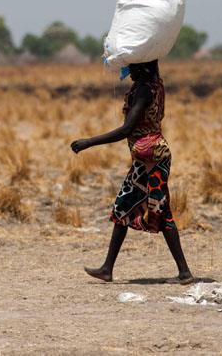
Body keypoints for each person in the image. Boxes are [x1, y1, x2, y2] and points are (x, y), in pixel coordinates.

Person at [71, 60, 201, 284]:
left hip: (154, 159)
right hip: (146, 159)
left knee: (161, 211)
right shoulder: (155, 84)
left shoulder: (143, 90)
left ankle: (184, 272)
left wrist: (88, 142)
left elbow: (127, 129)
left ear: (142, 67)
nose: (128, 71)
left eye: (132, 67)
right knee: (122, 208)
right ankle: (107, 269)